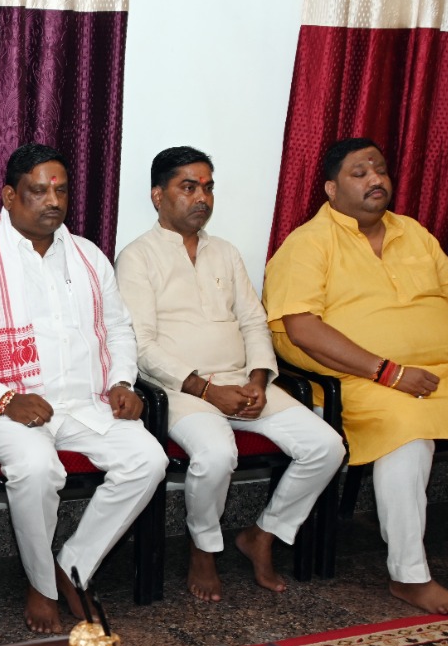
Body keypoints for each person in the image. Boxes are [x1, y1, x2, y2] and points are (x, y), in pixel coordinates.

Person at [264, 137, 448, 616]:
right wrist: (387, 371)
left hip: (444, 375)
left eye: (380, 169)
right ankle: (410, 576)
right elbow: (302, 329)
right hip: (359, 381)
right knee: (408, 432)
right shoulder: (308, 243)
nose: (375, 179)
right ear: (331, 189)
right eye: (359, 173)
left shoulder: (414, 233)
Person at [0, 143, 168, 633]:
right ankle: (40, 584)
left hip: (86, 403)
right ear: (9, 196)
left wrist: (122, 380)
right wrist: (4, 398)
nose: (52, 201)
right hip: (8, 407)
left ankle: (71, 568)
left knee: (150, 460)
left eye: (60, 191)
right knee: (37, 469)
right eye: (38, 191)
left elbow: (118, 329)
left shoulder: (88, 257)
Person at [115, 146, 344, 600]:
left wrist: (258, 380)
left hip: (241, 380)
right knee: (217, 455)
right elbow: (142, 346)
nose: (202, 197)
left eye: (208, 187)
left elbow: (254, 323)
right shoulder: (137, 257)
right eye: (188, 187)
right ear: (158, 196)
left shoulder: (225, 252)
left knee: (326, 446)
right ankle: (203, 549)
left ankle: (263, 535)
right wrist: (206, 389)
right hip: (179, 391)